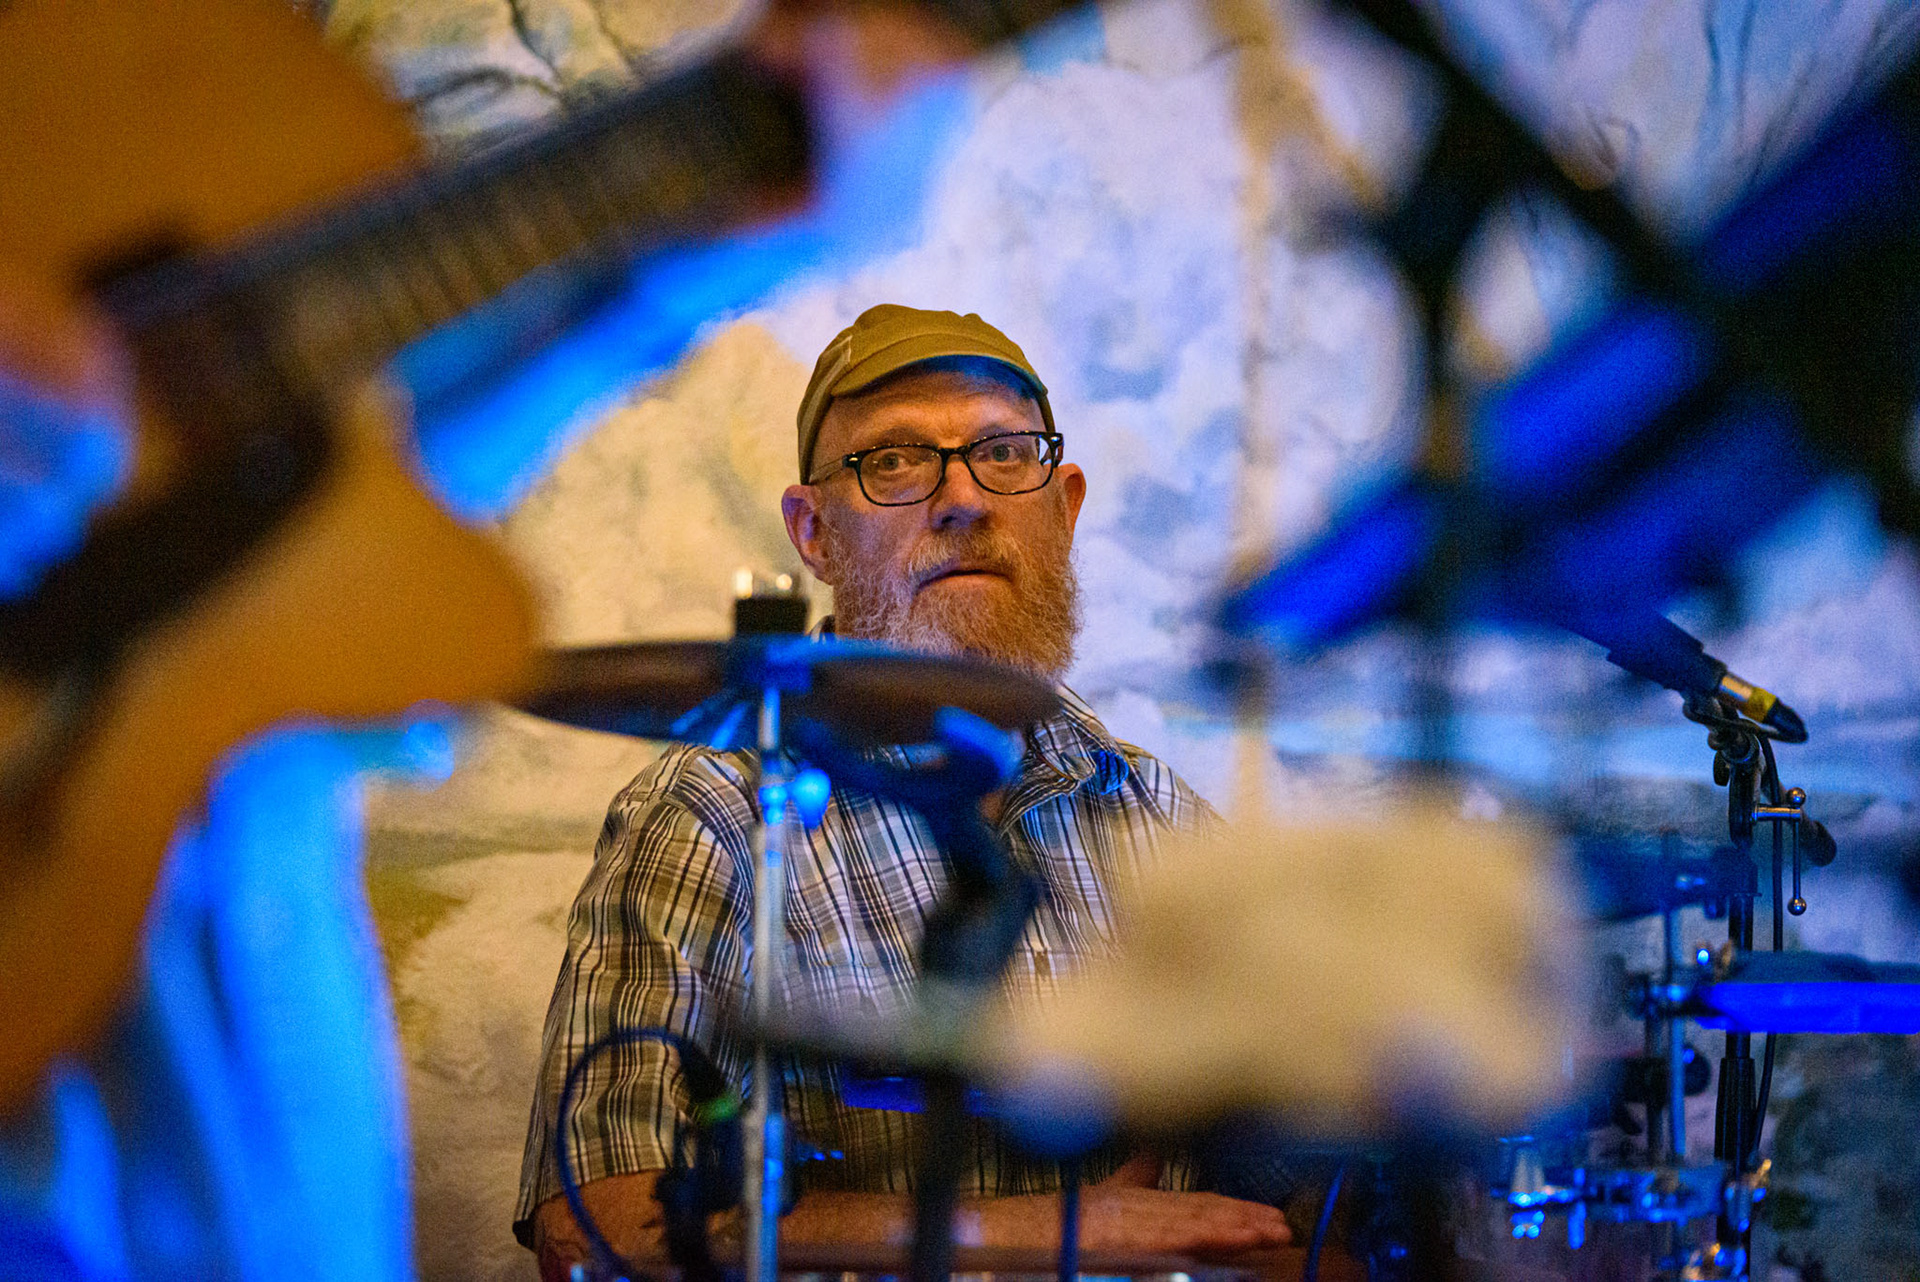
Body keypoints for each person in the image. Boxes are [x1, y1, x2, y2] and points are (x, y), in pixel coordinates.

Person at [517, 304, 1294, 1275]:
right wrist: (1059, 1230)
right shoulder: (715, 814)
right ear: (814, 533)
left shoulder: (1160, 814)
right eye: (893, 461)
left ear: (1064, 506)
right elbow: (593, 1223)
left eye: (1003, 453)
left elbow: (1306, 1184)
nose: (963, 498)